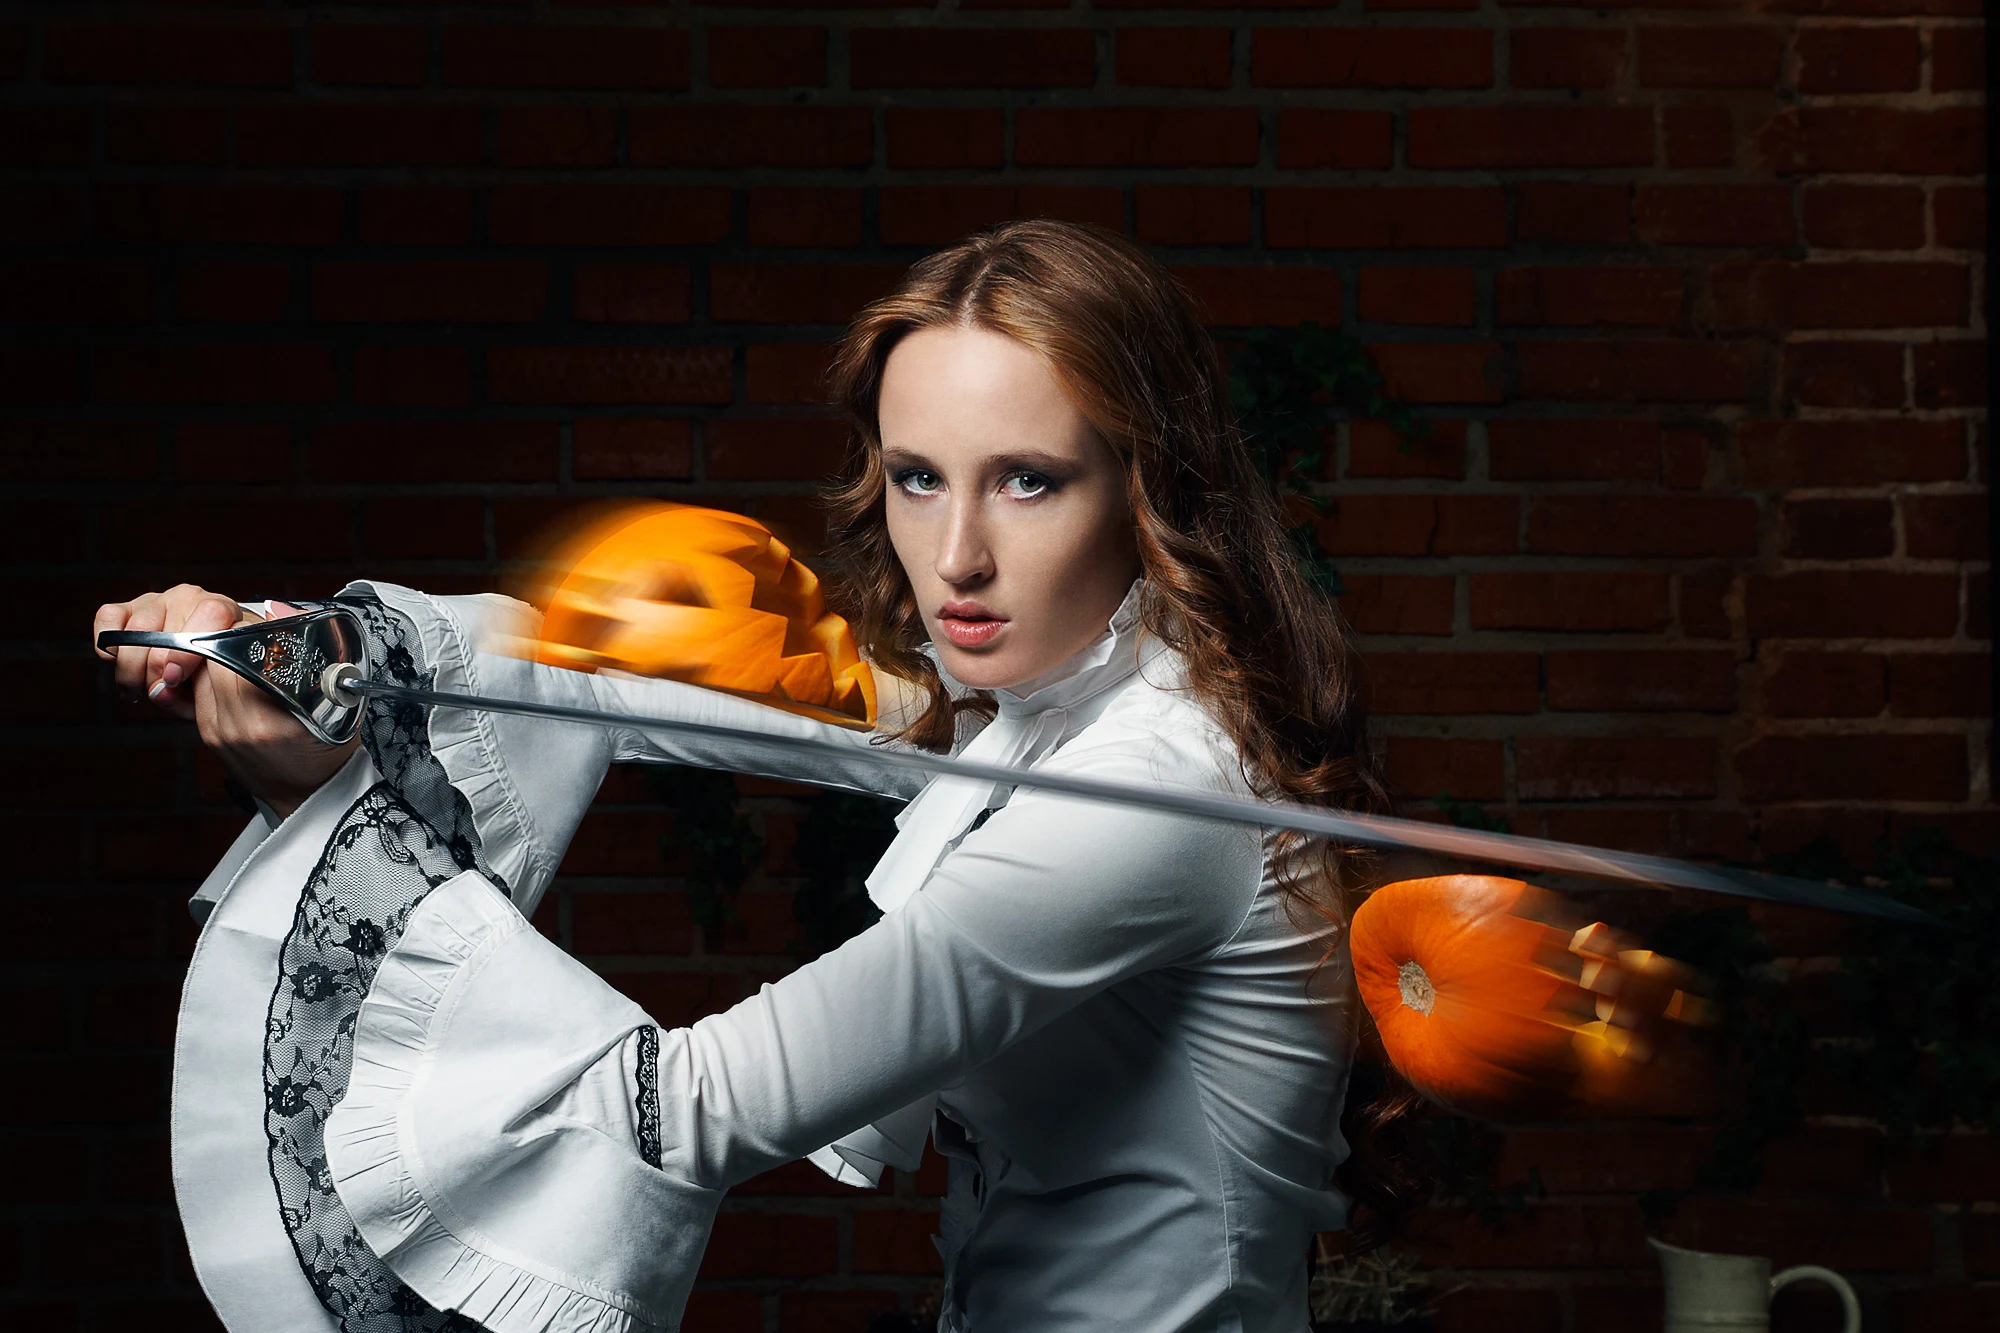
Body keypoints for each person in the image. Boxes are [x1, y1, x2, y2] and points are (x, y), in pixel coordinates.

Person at [95, 220, 1409, 1333]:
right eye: (915, 478)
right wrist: (316, 664)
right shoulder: (1056, 714)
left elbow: (687, 1109)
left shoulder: (1149, 802)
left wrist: (382, 865)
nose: (954, 556)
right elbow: (625, 685)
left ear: (1148, 487)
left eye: (1025, 480)